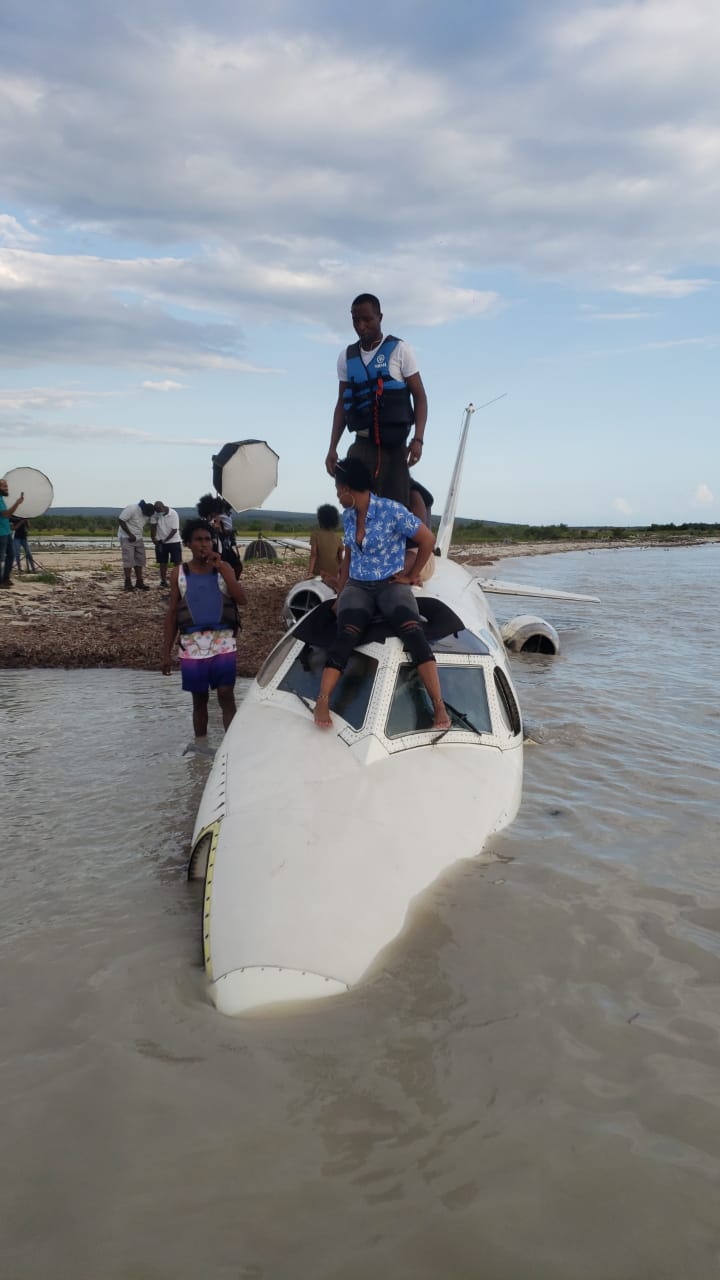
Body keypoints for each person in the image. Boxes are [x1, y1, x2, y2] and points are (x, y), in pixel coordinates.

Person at [313, 457, 450, 731]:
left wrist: (411, 576)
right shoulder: (349, 516)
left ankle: (438, 706)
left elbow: (427, 541)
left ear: (349, 489)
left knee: (412, 629)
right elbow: (349, 557)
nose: (338, 497)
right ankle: (323, 698)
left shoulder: (392, 511)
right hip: (359, 585)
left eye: (338, 491)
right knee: (347, 631)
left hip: (390, 583)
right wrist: (341, 593)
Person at [326, 293, 428, 507]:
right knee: (355, 505)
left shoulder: (400, 350)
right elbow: (341, 405)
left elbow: (419, 396)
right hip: (362, 444)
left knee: (396, 509)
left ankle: (419, 534)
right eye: (356, 321)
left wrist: (418, 439)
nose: (361, 326)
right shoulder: (346, 357)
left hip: (395, 446)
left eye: (367, 320)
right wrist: (332, 447)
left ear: (380, 317)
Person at [162, 519, 248, 740]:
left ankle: (232, 745)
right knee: (199, 700)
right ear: (188, 544)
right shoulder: (179, 574)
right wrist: (165, 653)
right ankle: (200, 750)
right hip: (192, 645)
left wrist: (223, 569)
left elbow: (241, 599)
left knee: (226, 693)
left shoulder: (224, 569)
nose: (204, 545)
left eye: (208, 539)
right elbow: (172, 614)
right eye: (198, 540)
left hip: (223, 641)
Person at [196, 493, 242, 578]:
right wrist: (229, 531)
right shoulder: (210, 521)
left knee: (237, 567)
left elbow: (221, 531)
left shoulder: (215, 519)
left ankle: (229, 584)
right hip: (216, 549)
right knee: (219, 568)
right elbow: (218, 531)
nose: (218, 513)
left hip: (224, 547)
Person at [117, 500, 154, 592]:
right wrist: (130, 534)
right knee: (128, 560)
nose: (148, 516)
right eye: (147, 514)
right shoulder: (132, 508)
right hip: (126, 537)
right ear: (143, 509)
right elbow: (121, 520)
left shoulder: (147, 513)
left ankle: (139, 582)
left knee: (140, 560)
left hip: (139, 538)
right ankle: (128, 583)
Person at [308, 504, 344, 587]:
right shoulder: (338, 538)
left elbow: (313, 555)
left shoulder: (315, 535)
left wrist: (310, 573)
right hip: (334, 574)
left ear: (320, 520)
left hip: (318, 573)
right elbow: (340, 559)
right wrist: (342, 576)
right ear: (335, 521)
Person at [150, 499, 182, 587]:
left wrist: (165, 540)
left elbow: (174, 530)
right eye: (156, 511)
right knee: (162, 562)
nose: (158, 512)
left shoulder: (173, 514)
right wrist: (153, 538)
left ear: (163, 507)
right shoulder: (155, 514)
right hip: (160, 541)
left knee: (177, 561)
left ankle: (179, 580)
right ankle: (163, 581)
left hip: (174, 541)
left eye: (159, 510)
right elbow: (153, 526)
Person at [0, 479, 24, 587]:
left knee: (11, 555)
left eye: (7, 486)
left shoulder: (1, 499)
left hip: (6, 532)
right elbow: (6, 514)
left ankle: (5, 579)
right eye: (4, 486)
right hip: (1, 534)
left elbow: (7, 516)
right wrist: (17, 503)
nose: (7, 488)